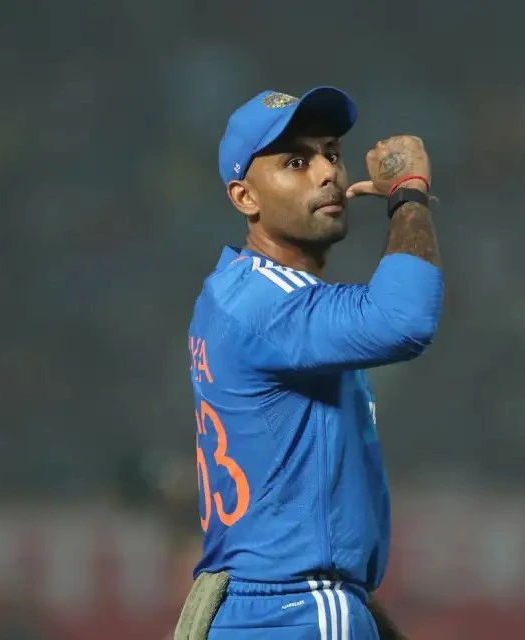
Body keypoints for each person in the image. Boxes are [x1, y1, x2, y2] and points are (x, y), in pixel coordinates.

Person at [182, 86, 442, 640]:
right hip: (293, 611)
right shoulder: (262, 300)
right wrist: (409, 193)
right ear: (244, 197)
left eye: (331, 153)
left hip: (273, 608)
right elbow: (404, 319)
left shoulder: (247, 295)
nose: (328, 173)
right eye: (295, 162)